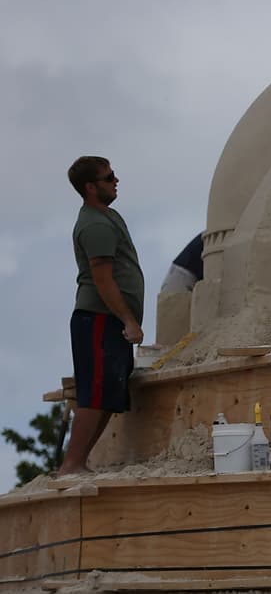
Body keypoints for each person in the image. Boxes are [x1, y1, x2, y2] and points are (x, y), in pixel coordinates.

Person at [60, 156, 145, 475]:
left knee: (110, 393)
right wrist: (128, 320)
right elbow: (103, 279)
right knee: (95, 393)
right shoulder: (94, 224)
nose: (116, 180)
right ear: (91, 187)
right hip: (98, 318)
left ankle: (80, 463)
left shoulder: (109, 216)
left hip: (108, 319)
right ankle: (71, 465)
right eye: (109, 177)